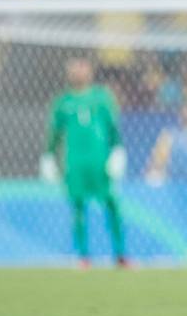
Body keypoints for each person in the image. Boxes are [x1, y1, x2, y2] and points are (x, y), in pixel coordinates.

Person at [40, 58, 127, 268]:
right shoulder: (62, 102)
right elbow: (54, 134)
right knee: (77, 207)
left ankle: (121, 254)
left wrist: (117, 152)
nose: (79, 72)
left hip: (100, 163)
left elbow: (113, 129)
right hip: (75, 164)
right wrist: (48, 157)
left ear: (90, 71)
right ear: (69, 73)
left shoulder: (102, 98)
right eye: (75, 68)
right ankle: (83, 256)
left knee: (112, 204)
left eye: (82, 67)